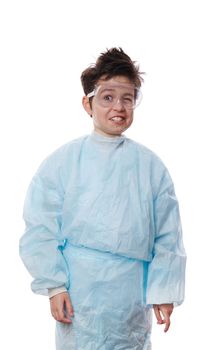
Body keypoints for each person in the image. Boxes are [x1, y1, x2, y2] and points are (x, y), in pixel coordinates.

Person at [19, 47, 186, 350]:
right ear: (88, 103)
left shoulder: (150, 167)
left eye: (127, 98)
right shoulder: (64, 162)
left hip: (130, 297)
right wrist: (54, 286)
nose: (118, 107)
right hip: (79, 295)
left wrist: (163, 290)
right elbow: (41, 228)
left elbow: (168, 235)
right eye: (108, 97)